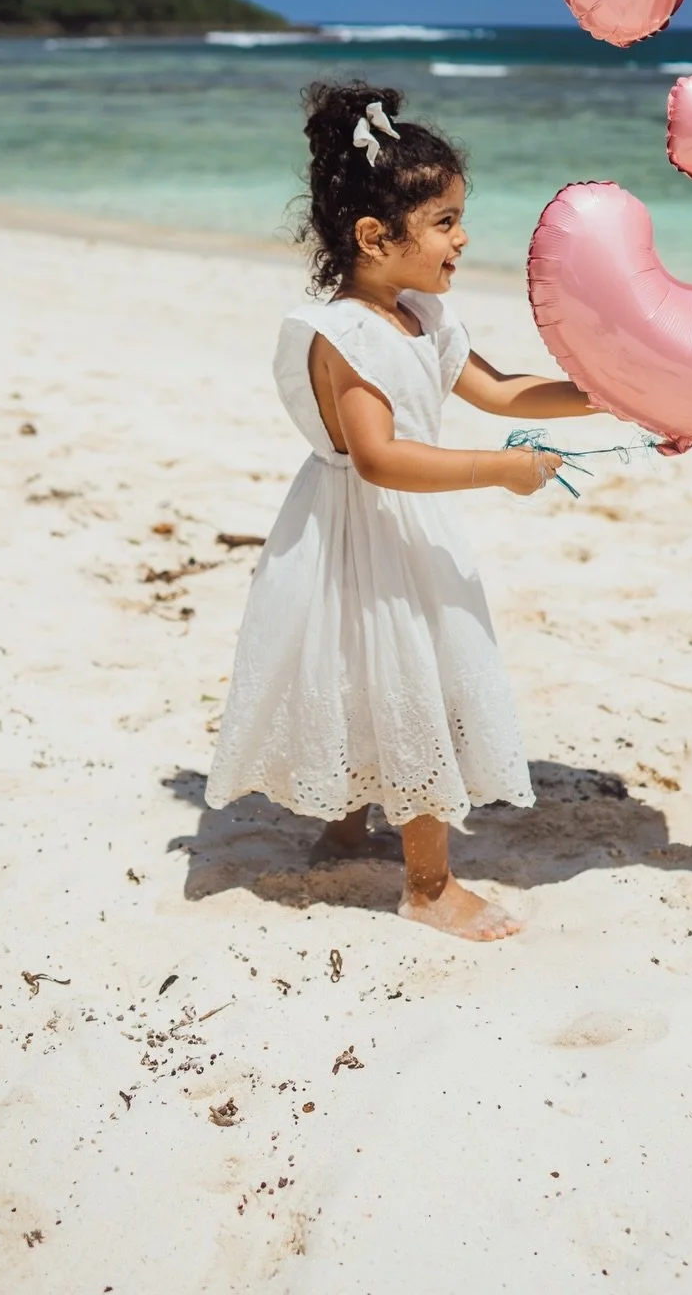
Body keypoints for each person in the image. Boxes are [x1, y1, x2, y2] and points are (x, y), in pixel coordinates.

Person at [205, 79, 596, 940]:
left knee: (361, 672)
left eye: (461, 216)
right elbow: (378, 458)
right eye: (447, 221)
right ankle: (426, 885)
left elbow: (498, 390)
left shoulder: (420, 314)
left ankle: (344, 816)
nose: (463, 238)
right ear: (376, 237)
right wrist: (500, 474)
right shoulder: (348, 336)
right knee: (404, 678)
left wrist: (602, 392)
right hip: (366, 527)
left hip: (393, 526)